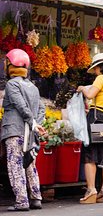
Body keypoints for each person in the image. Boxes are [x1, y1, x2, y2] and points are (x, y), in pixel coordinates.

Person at [1, 49, 46, 211]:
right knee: (29, 164)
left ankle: (21, 201)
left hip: (14, 131)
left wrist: (33, 123)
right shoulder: (32, 87)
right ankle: (36, 198)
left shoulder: (12, 84)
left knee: (15, 165)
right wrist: (35, 124)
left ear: (12, 65)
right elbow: (41, 109)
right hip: (29, 133)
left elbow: (20, 105)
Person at [77, 53, 103, 203]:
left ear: (99, 67)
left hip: (95, 118)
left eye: (95, 69)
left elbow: (90, 94)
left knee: (90, 155)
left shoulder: (101, 78)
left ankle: (91, 190)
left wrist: (82, 88)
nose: (94, 71)